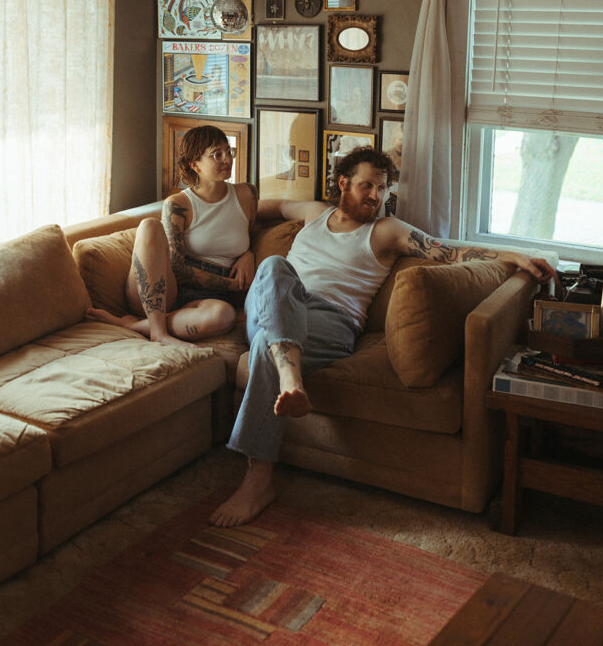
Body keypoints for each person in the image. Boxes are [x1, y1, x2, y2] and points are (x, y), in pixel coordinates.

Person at [209, 146, 557, 528]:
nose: (376, 196)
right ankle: (291, 377)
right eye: (366, 186)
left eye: (383, 188)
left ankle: (257, 482)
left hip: (330, 323)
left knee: (264, 345)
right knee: (275, 266)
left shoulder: (387, 231)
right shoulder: (312, 214)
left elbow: (449, 252)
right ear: (343, 182)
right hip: (273, 306)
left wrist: (513, 255)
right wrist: (240, 249)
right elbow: (250, 207)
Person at [86, 125, 257, 346]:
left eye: (228, 151)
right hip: (166, 290)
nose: (227, 159)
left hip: (212, 299)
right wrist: (232, 285)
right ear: (195, 165)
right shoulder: (178, 204)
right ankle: (158, 332)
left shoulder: (247, 195)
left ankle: (133, 325)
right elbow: (177, 268)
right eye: (217, 154)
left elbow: (250, 233)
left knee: (224, 316)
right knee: (149, 225)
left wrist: (249, 253)